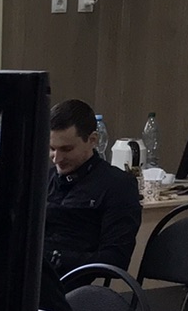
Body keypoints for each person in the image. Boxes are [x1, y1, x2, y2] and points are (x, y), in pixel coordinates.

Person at [46, 98, 142, 291]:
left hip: (69, 288)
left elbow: (116, 260)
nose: (57, 159)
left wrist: (56, 258)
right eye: (52, 149)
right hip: (32, 278)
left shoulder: (118, 186)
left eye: (67, 149)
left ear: (92, 140)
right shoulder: (44, 179)